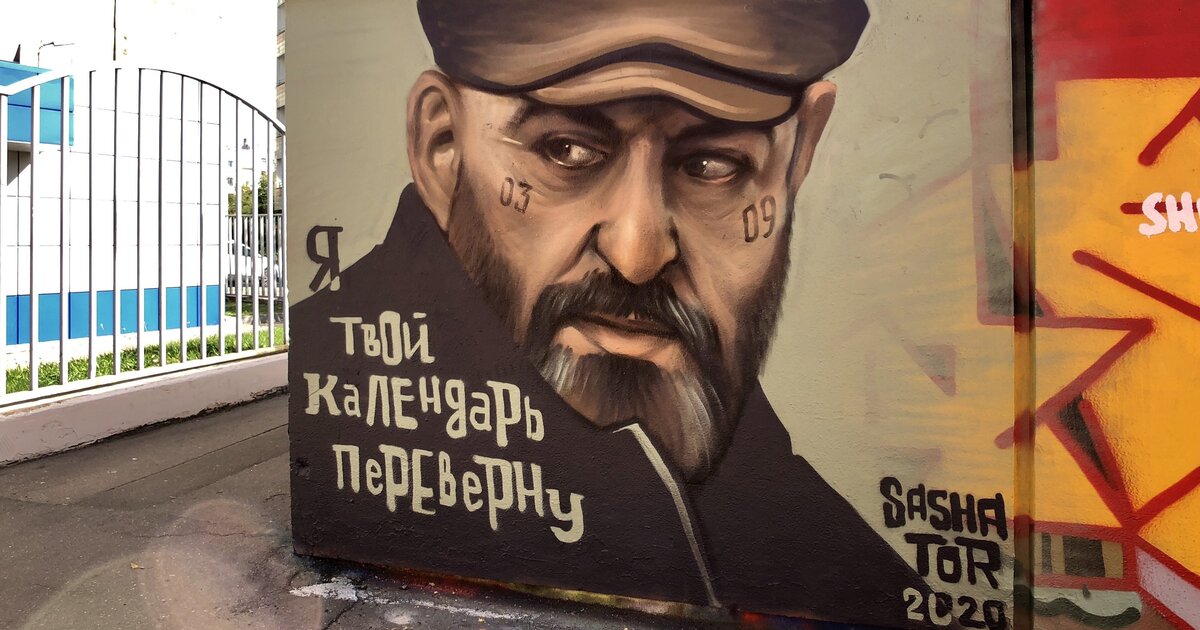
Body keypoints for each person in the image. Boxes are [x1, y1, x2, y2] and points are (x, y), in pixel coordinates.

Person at [290, 2, 933, 626]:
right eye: (566, 150)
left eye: (712, 165)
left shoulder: (839, 563)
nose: (637, 254)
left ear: (799, 157)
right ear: (444, 148)